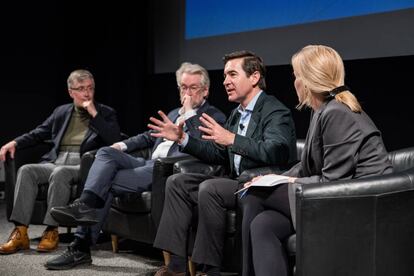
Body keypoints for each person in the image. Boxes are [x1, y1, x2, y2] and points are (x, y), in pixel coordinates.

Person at [45, 62, 226, 270]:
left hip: (167, 170)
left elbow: (204, 149)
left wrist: (190, 115)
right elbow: (148, 137)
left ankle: (80, 246)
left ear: (205, 90)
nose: (187, 92)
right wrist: (121, 145)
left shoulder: (214, 117)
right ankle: (85, 206)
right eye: (183, 87)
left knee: (105, 182)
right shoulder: (175, 112)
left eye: (193, 88)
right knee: (106, 153)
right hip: (147, 164)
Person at [241, 45, 393, 276]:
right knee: (263, 224)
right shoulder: (323, 109)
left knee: (254, 195)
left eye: (296, 76)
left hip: (359, 203)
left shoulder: (337, 112)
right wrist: (277, 177)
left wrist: (279, 184)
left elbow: (333, 180)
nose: (294, 82)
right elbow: (308, 165)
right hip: (338, 194)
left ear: (309, 79)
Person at [149, 50, 297, 276]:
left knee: (211, 188)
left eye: (232, 75)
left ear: (254, 77)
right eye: (225, 76)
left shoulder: (274, 110)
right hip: (236, 182)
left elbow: (276, 150)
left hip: (260, 184)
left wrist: (232, 139)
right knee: (177, 182)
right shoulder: (237, 114)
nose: (225, 81)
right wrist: (183, 138)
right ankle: (177, 267)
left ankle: (211, 270)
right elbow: (218, 153)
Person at [0, 69, 121, 255]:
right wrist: (14, 142)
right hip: (56, 159)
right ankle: (21, 232)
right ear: (71, 92)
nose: (87, 93)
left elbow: (114, 139)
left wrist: (94, 114)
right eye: (81, 89)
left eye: (90, 88)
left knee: (60, 173)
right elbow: (39, 133)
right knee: (26, 170)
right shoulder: (61, 111)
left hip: (82, 163)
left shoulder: (105, 113)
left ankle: (51, 230)